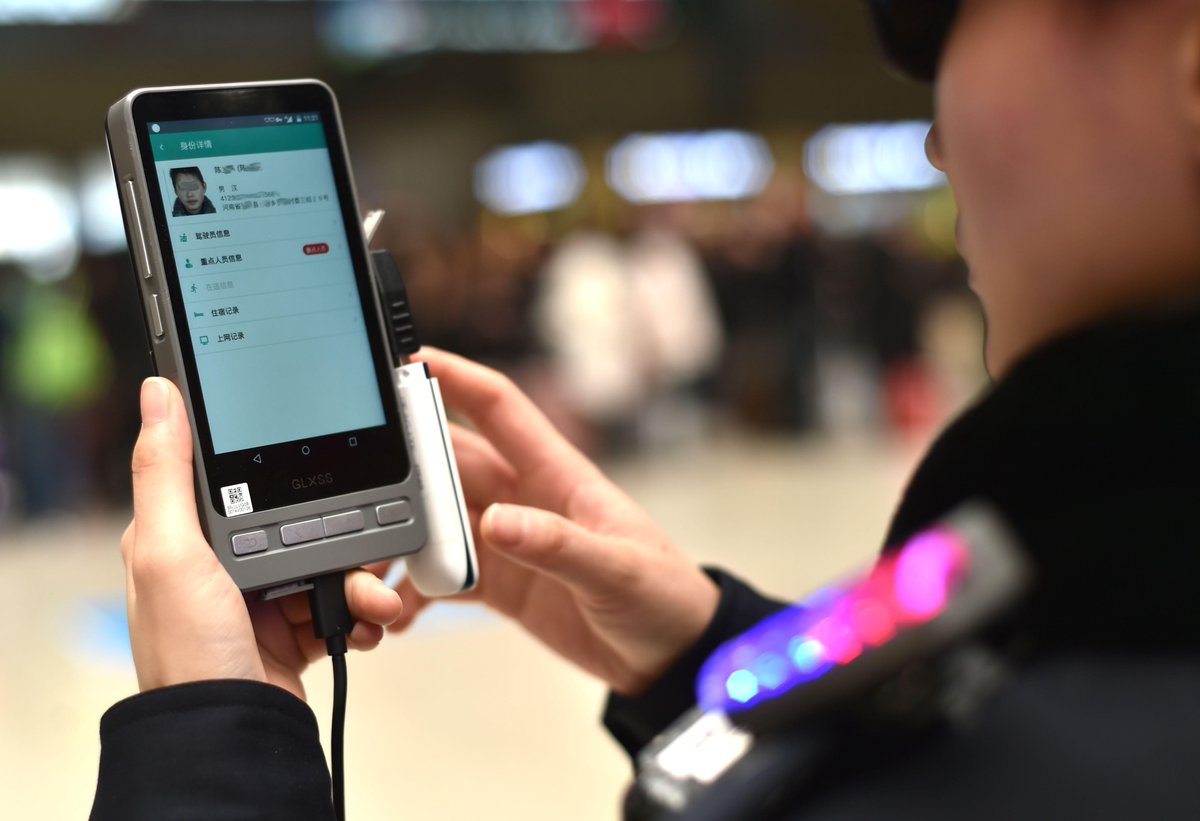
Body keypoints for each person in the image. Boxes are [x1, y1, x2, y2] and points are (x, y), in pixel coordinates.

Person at [92, 0, 1200, 817]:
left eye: (942, 26)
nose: (934, 138)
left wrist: (208, 747)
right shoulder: (1105, 580)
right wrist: (700, 654)